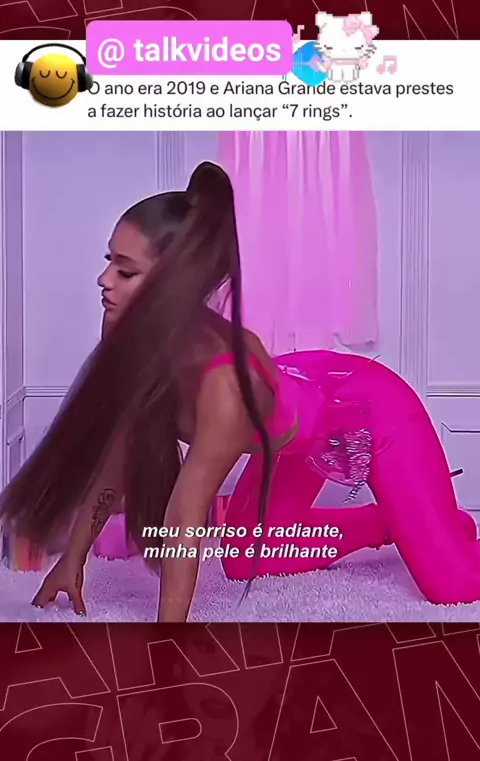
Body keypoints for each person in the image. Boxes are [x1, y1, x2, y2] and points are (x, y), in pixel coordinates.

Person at [1, 160, 479, 622]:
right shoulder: (131, 338)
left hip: (365, 409)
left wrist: (166, 647)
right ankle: (390, 520)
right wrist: (73, 559)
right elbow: (117, 454)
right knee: (244, 556)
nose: (103, 280)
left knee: (453, 585)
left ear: (173, 284)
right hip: (296, 405)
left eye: (125, 271)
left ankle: (427, 523)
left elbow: (185, 517)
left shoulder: (223, 388)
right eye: (110, 262)